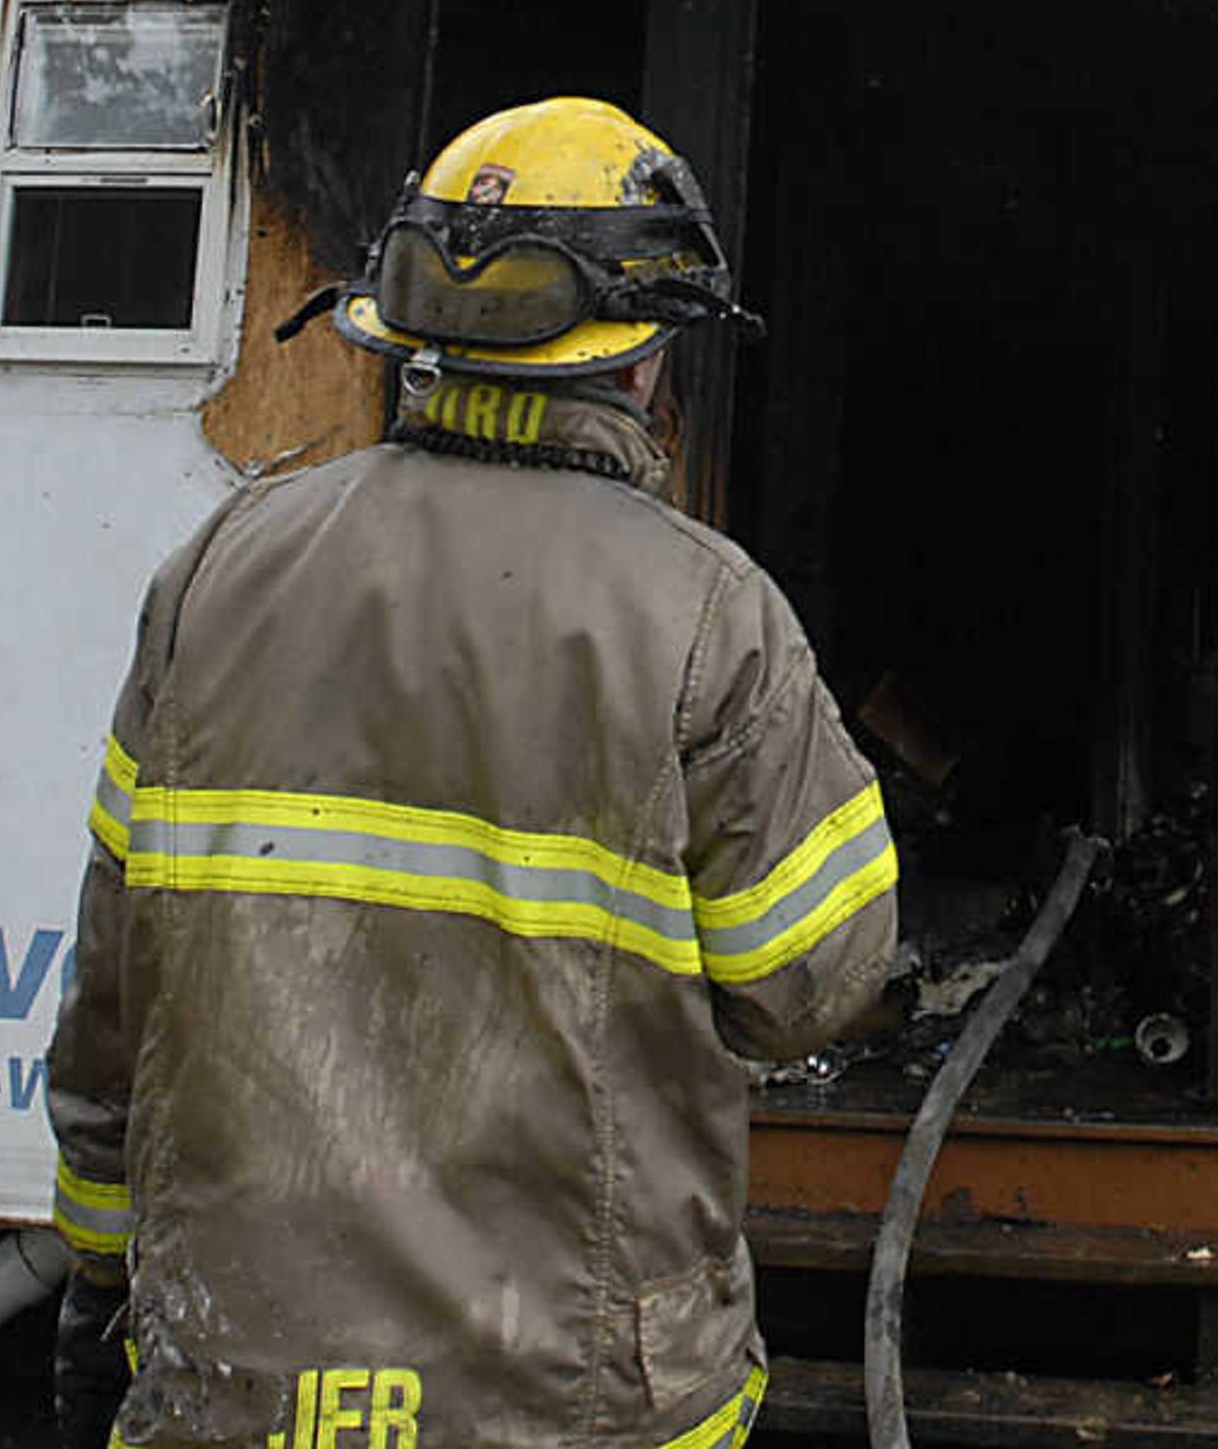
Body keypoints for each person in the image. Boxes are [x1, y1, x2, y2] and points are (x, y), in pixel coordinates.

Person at [45, 97, 896, 1449]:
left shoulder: (221, 567)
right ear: (642, 361)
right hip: (568, 1390)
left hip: (234, 1372)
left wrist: (100, 1264)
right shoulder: (704, 614)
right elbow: (811, 981)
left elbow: (115, 985)